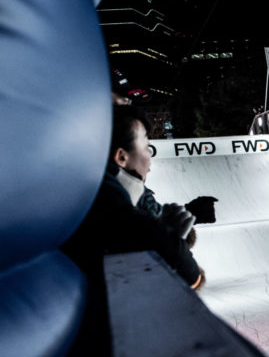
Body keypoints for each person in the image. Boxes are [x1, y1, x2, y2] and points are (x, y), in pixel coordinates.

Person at [62, 105, 204, 289]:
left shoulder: (83, 188)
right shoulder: (109, 205)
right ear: (121, 157)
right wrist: (168, 235)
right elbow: (192, 277)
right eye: (146, 147)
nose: (150, 155)